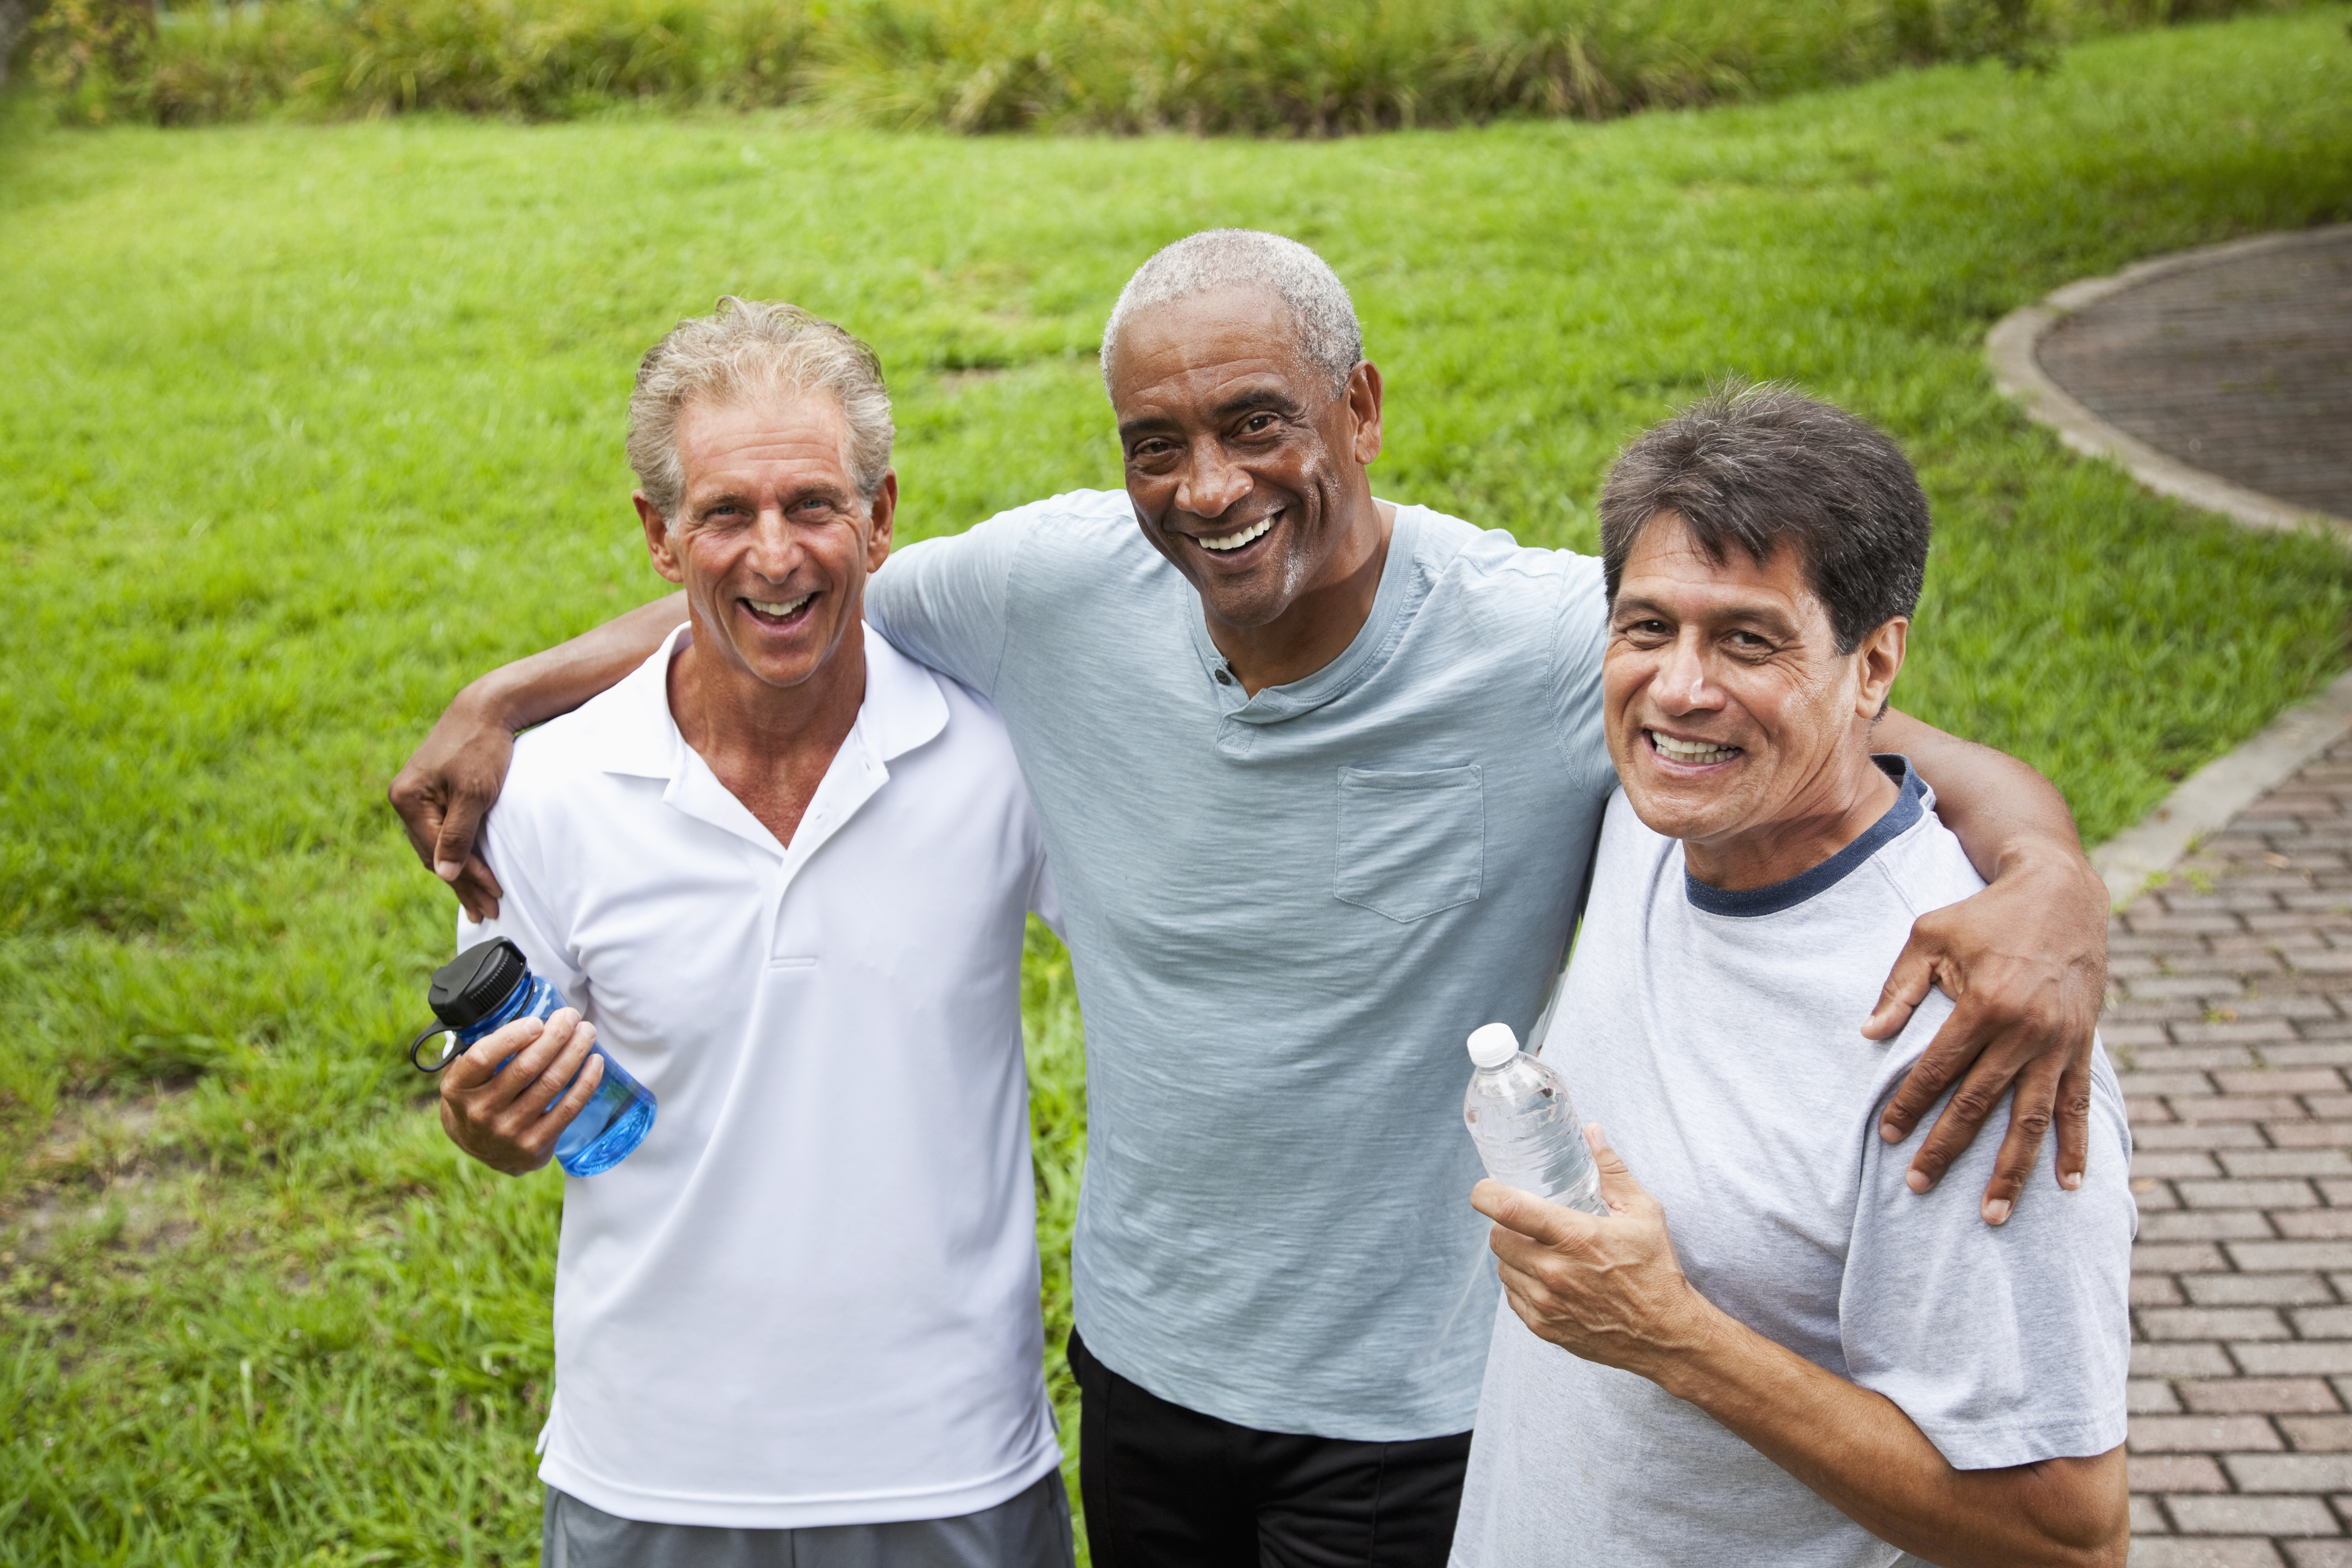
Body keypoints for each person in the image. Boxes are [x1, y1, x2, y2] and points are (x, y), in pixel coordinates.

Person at [391, 232, 2112, 1567]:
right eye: (1159, 442)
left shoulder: (1551, 642)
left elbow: (1873, 741)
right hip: (1144, 1370)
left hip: (1422, 1400)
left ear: (1358, 411)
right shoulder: (1059, 585)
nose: (1207, 487)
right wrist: (516, 692)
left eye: (1255, 425)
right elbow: (792, 588)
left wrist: (2049, 883)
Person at [434, 299, 1074, 1567]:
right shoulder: (547, 795)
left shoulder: (1001, 756)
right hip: (647, 1463)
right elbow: (502, 1102)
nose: (773, 556)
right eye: (726, 512)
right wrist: (479, 1119)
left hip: (952, 1455)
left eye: (813, 505)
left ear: (882, 517)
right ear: (659, 535)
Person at [1453, 386, 2131, 1568]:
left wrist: (1672, 1337)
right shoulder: (1658, 810)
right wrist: (2049, 857)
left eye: (1747, 639)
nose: (1678, 689)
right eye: (1646, 626)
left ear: (1874, 664)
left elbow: (2066, 1536)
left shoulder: (1964, 1032)